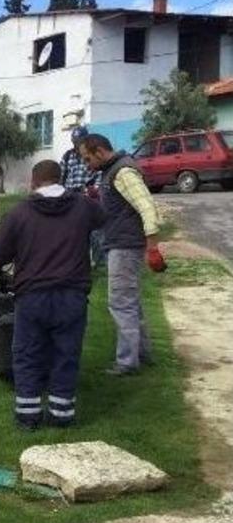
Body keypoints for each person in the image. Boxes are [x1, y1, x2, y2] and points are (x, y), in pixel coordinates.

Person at [0, 160, 106, 429]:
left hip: (32, 295)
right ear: (60, 179)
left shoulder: (19, 213)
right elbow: (102, 219)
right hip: (72, 294)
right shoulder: (84, 207)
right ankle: (61, 415)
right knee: (66, 354)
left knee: (28, 354)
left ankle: (28, 417)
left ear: (33, 181)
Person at [79, 133, 166, 376]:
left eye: (87, 159)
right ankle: (142, 352)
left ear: (99, 151)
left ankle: (127, 362)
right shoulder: (111, 171)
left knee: (120, 302)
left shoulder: (123, 172)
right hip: (122, 243)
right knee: (131, 302)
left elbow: (147, 207)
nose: (87, 165)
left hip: (125, 246)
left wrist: (153, 247)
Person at [60, 125, 105, 267]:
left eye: (79, 141)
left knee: (94, 232)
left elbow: (99, 176)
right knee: (73, 231)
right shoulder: (67, 156)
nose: (76, 144)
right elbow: (61, 176)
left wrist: (94, 190)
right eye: (74, 141)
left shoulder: (93, 156)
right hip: (69, 198)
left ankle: (99, 263)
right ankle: (77, 262)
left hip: (87, 197)